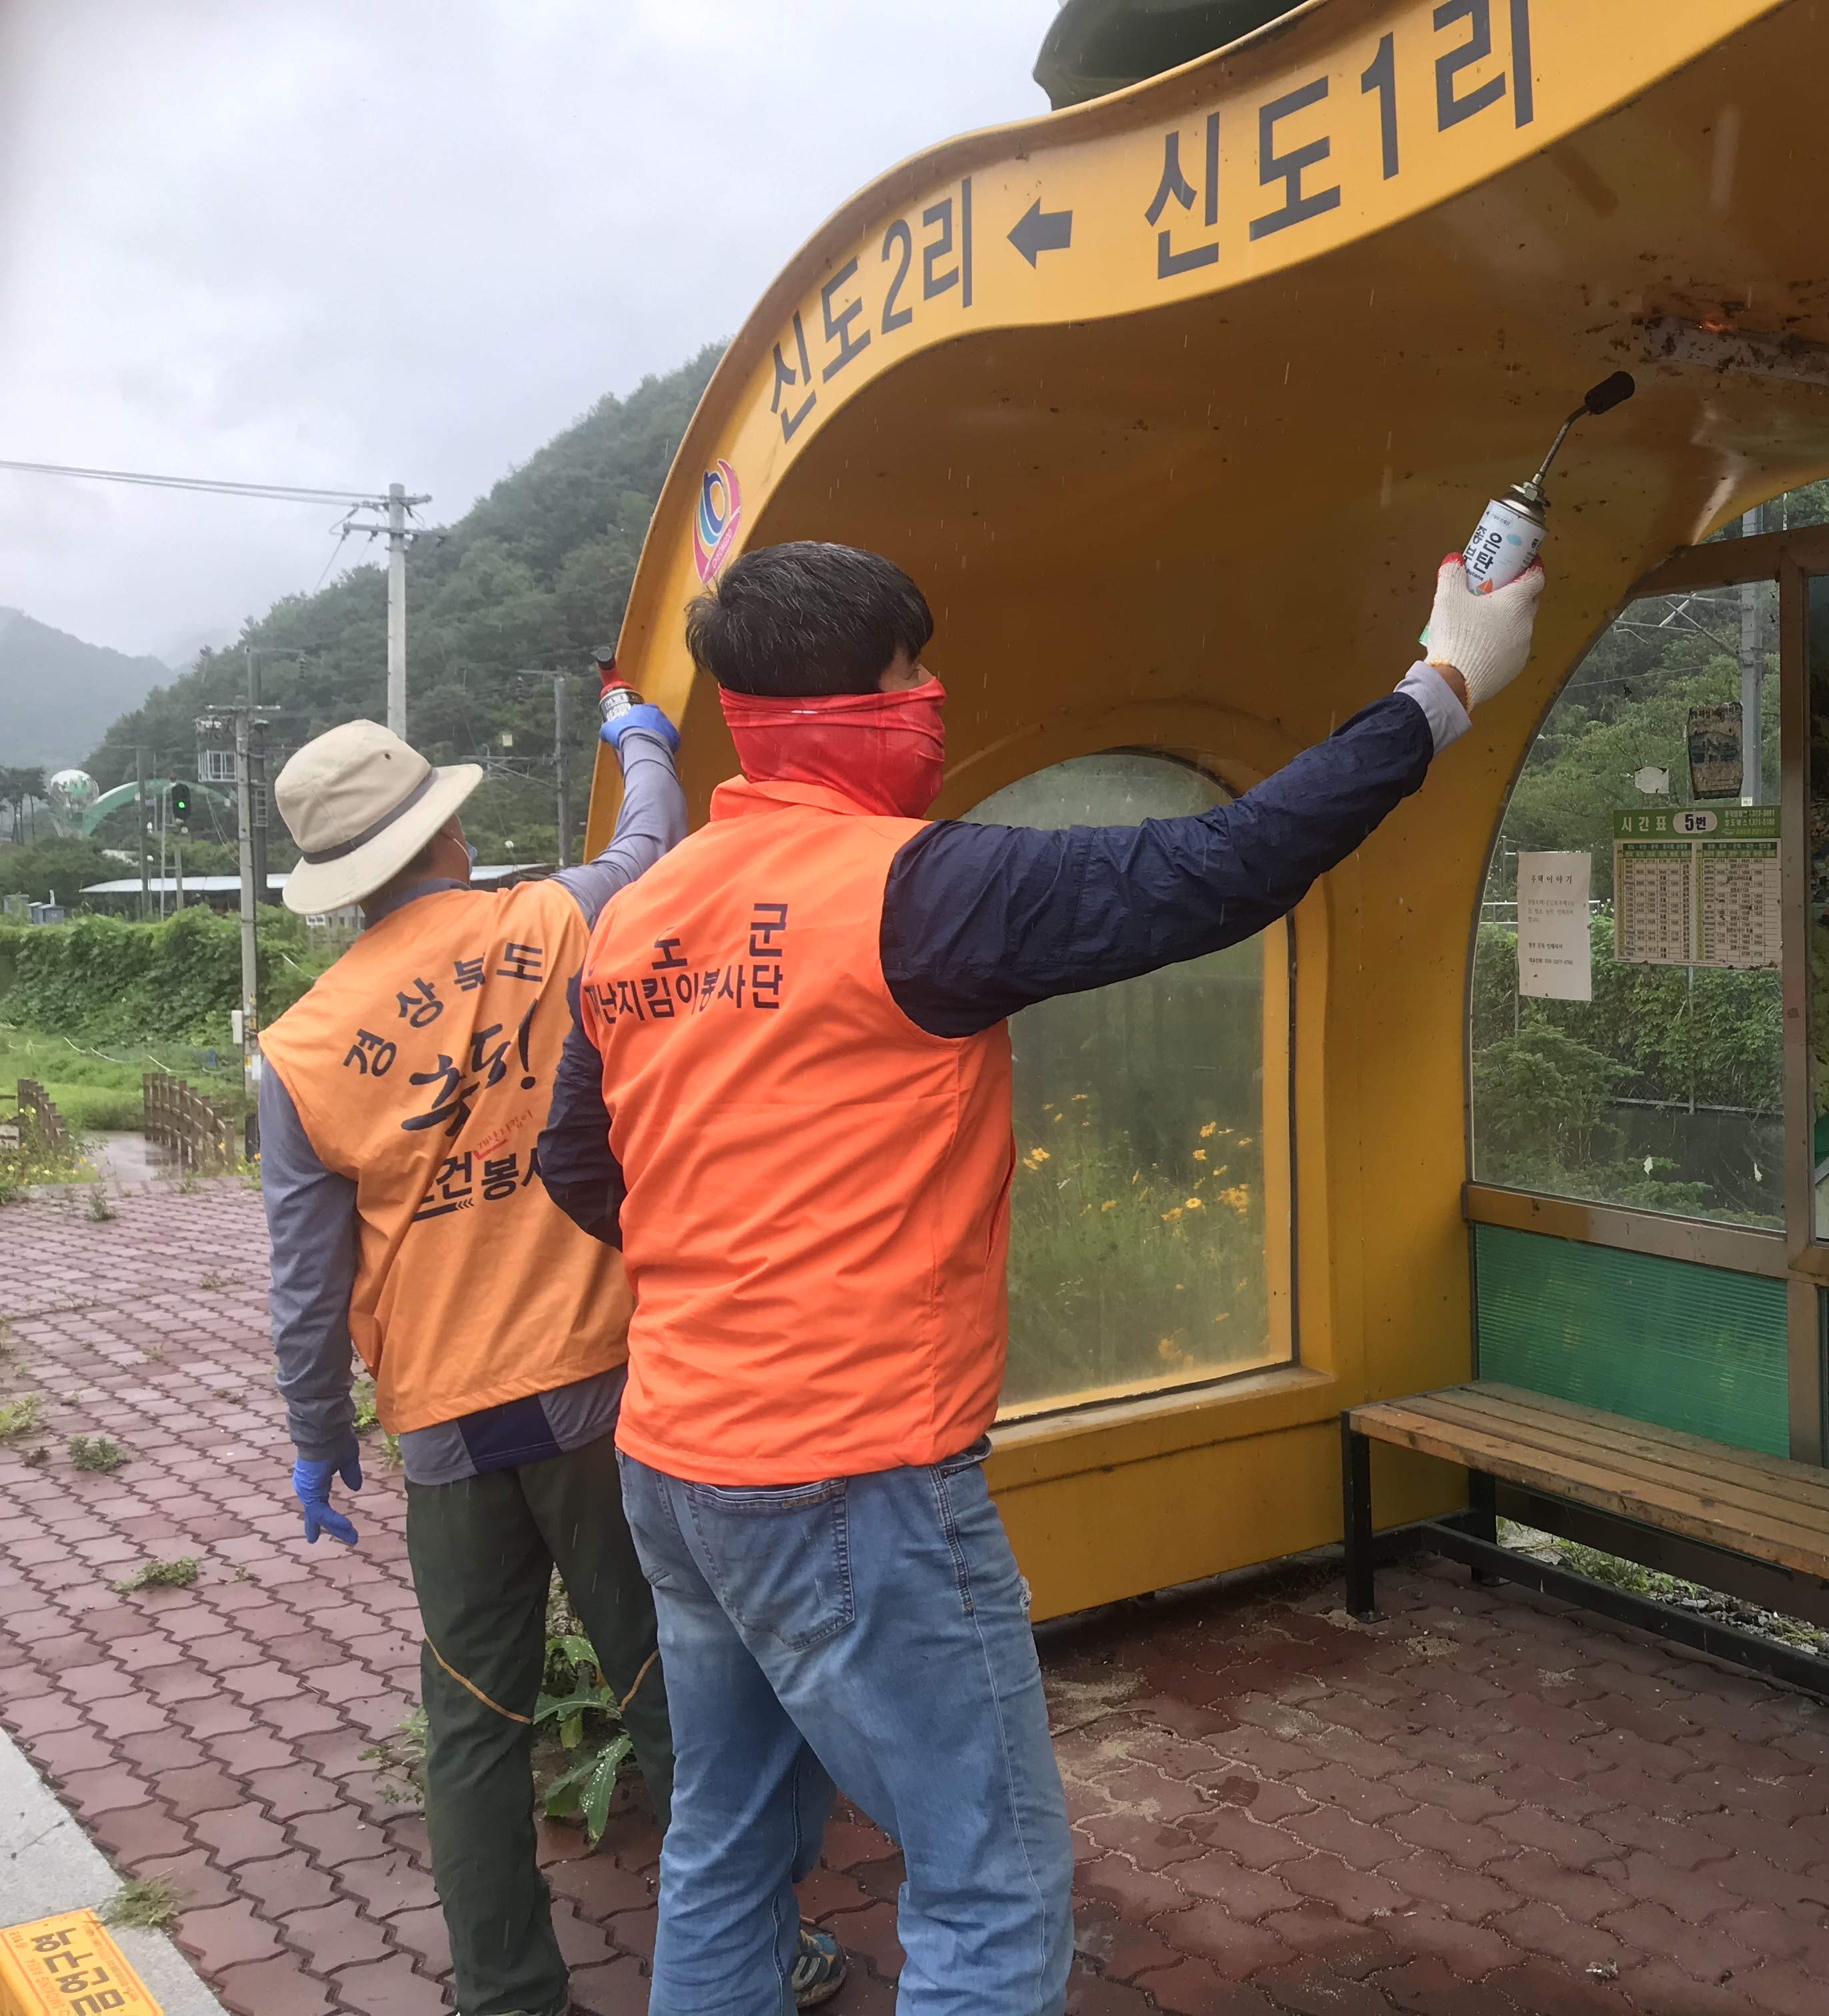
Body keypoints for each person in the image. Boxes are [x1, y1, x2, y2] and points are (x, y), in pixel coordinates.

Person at [534, 539, 1544, 2015]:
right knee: (986, 1885)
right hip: (852, 1479)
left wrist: (736, 1254)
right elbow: (1221, 867)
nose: (933, 693)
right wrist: (1442, 686)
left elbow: (578, 1164)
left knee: (727, 1839)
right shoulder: (912, 889)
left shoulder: (642, 912)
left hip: (677, 1464)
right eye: (913, 671)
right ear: (857, 702)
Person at [257, 704, 849, 2015]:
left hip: (445, 1423)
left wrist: (316, 1438)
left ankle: (506, 1994)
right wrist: (640, 741)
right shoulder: (555, 917)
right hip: (601, 1391)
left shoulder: (297, 1054)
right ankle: (756, 1958)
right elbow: (652, 843)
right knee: (672, 1682)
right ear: (449, 835)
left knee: (474, 1718)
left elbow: (306, 1288)